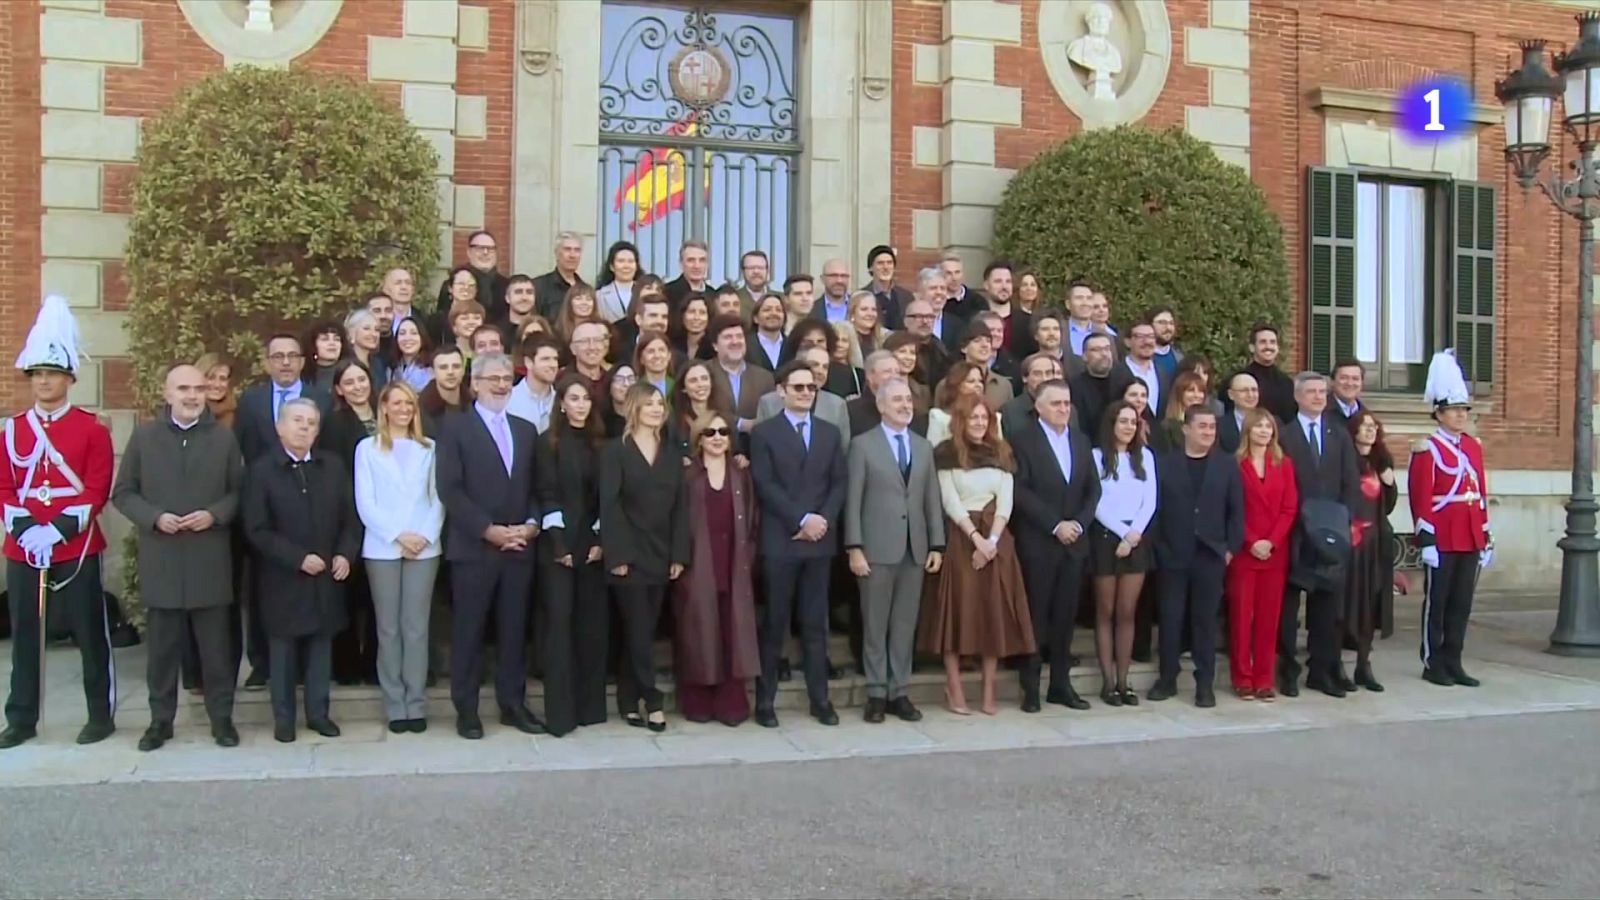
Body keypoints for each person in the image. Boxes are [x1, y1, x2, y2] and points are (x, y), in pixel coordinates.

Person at [0, 300, 113, 750]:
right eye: (37, 374)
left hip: (76, 544)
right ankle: (21, 717)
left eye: (52, 373)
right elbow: (6, 489)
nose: (43, 381)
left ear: (69, 378)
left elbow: (96, 488)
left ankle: (99, 715)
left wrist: (58, 530)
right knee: (25, 636)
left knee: (89, 632)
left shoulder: (91, 430)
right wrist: (29, 531)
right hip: (24, 545)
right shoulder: (11, 431)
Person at [113, 364, 244, 751]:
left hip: (209, 558)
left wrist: (215, 514)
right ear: (167, 394)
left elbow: (239, 493)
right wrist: (154, 517)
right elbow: (123, 493)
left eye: (198, 388)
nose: (192, 395)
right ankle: (160, 722)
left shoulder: (223, 439)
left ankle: (222, 721)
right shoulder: (145, 438)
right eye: (183, 388)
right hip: (163, 558)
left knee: (216, 651)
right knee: (163, 651)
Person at [434, 352, 546, 739]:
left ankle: (512, 704)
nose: (500, 385)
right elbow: (449, 488)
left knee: (514, 632)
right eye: (492, 379)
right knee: (469, 632)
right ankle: (466, 710)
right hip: (474, 549)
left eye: (505, 379)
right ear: (475, 384)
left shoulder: (526, 429)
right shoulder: (454, 428)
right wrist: (487, 530)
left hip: (519, 549)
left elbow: (537, 487)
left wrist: (531, 525)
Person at [242, 397, 359, 743]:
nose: (305, 427)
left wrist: (345, 554)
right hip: (283, 578)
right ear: (280, 427)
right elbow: (256, 529)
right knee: (283, 653)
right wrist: (296, 558)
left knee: (321, 649)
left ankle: (319, 714)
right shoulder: (262, 471)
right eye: (297, 420)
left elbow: (350, 520)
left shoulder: (332, 466)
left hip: (326, 576)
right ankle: (284, 719)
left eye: (311, 422)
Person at [920, 395, 1034, 715]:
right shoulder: (946, 453)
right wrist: (975, 538)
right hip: (961, 536)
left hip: (995, 539)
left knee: (991, 613)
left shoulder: (1001, 452)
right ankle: (954, 686)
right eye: (974, 418)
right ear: (961, 421)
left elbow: (1005, 502)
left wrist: (992, 541)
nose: (980, 423)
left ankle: (988, 689)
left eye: (985, 418)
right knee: (957, 613)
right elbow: (949, 501)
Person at [749, 360, 847, 727]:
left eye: (811, 388)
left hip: (819, 542)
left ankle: (820, 699)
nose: (806, 393)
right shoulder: (765, 433)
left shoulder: (829, 432)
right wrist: (801, 519)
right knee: (774, 624)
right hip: (781, 540)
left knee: (815, 624)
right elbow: (764, 483)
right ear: (781, 391)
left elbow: (839, 482)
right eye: (799, 387)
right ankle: (765, 701)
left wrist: (821, 520)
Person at [845, 379, 943, 722]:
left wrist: (936, 543)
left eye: (908, 399)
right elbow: (853, 500)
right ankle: (875, 692)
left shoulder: (922, 446)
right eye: (897, 400)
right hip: (875, 548)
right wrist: (854, 547)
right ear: (881, 406)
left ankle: (899, 691)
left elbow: (931, 498)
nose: (905, 405)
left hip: (914, 549)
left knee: (904, 624)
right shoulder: (862, 446)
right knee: (875, 623)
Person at [354, 382, 444, 735]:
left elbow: (438, 498)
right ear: (384, 408)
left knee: (416, 628)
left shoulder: (430, 448)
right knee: (388, 628)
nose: (404, 409)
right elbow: (366, 502)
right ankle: (395, 705)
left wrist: (422, 536)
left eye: (410, 403)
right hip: (383, 548)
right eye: (397, 403)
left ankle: (416, 702)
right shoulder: (367, 449)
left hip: (425, 547)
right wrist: (397, 535)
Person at [599, 383, 690, 732]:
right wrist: (617, 554)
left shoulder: (670, 454)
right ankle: (652, 700)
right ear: (634, 408)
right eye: (648, 403)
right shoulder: (615, 452)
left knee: (642, 630)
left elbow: (681, 508)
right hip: (629, 555)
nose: (655, 408)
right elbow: (610, 505)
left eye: (659, 403)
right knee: (638, 631)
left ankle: (627, 700)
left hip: (662, 552)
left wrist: (679, 554)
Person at [1009, 380, 1100, 712]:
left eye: (1066, 403)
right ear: (1039, 407)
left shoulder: (1081, 440)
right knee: (1035, 617)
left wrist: (1078, 523)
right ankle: (1030, 686)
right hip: (1039, 543)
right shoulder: (1022, 441)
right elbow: (1019, 490)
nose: (1063, 409)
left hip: (1074, 544)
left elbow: (1093, 490)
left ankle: (1061, 684)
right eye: (1056, 403)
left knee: (1065, 617)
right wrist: (1054, 524)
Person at [1148, 406, 1243, 708]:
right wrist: (1160, 548)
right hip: (1173, 553)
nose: (1208, 432)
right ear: (1186, 429)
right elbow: (1155, 509)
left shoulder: (1226, 465)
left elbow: (1236, 511)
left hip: (1211, 554)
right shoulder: (1164, 464)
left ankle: (1205, 684)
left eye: (1212, 427)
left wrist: (1229, 548)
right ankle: (1167, 679)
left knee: (1205, 621)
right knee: (1171, 618)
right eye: (1201, 426)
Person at [1277, 372, 1361, 698]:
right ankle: (1287, 670)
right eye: (1310, 392)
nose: (1317, 397)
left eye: (1321, 392)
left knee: (1327, 608)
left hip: (1331, 534)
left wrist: (1345, 523)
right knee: (1288, 608)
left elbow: (1350, 482)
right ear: (1297, 397)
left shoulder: (1338, 434)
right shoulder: (1284, 434)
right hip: (1296, 533)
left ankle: (1322, 669)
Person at [1410, 350, 1491, 688]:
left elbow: (1480, 494)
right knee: (1438, 603)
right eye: (1455, 410)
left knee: (1461, 604)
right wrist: (1425, 540)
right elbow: (1420, 498)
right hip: (1442, 535)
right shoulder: (1428, 449)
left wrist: (1486, 536)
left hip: (1470, 534)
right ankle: (1433, 661)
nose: (1461, 416)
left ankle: (1454, 658)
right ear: (1438, 413)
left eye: (1463, 410)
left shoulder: (1473, 447)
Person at [533, 375, 609, 735]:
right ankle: (560, 714)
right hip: (557, 548)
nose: (580, 404)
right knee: (559, 628)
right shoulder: (547, 443)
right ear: (561, 403)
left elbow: (606, 498)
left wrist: (598, 539)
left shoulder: (601, 444)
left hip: (593, 547)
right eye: (573, 398)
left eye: (585, 398)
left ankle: (589, 708)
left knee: (590, 628)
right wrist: (560, 543)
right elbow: (546, 493)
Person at [674, 412, 760, 725]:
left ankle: (731, 701)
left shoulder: (740, 475)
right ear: (699, 439)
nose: (717, 438)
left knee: (731, 632)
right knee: (699, 633)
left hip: (733, 563)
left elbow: (752, 518)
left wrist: (748, 556)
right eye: (709, 432)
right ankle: (698, 699)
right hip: (697, 565)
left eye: (723, 432)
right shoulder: (687, 476)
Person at [1226, 409, 1298, 701]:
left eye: (1269, 426)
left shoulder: (1285, 464)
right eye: (1259, 427)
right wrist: (1252, 540)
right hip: (1245, 552)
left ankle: (1264, 679)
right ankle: (1242, 677)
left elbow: (1289, 508)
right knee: (1241, 618)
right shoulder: (1235, 464)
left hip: (1275, 553)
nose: (1264, 431)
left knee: (1269, 619)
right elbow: (1232, 509)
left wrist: (1272, 541)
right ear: (1248, 431)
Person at [1090, 401, 1158, 707]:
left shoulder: (1146, 458)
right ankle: (1107, 681)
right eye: (1123, 421)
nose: (1129, 426)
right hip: (1106, 536)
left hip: (1136, 536)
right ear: (1112, 424)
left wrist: (1133, 537)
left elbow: (1150, 500)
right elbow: (1096, 502)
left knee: (1127, 611)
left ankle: (1123, 680)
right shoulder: (1096, 457)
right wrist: (1121, 533)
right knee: (1106, 611)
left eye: (1133, 421)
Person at [1346, 409, 1396, 693]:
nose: (1369, 431)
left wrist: (1389, 485)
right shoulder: (1345, 460)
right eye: (1364, 426)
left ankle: (1364, 665)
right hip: (1350, 541)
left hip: (1374, 542)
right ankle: (1332, 664)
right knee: (1345, 604)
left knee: (1369, 604)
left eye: (1373, 427)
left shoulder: (1381, 461)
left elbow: (1386, 506)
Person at [707, 314, 774, 435]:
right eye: (728, 337)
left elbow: (770, 416)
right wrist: (739, 423)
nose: (735, 341)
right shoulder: (703, 372)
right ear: (715, 345)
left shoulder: (765, 378)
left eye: (739, 336)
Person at [436, 231, 510, 323]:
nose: (485, 252)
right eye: (480, 248)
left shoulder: (507, 286)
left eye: (490, 249)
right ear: (469, 252)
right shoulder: (453, 285)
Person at [1238, 323, 1296, 423]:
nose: (1268, 346)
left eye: (1272, 342)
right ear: (1252, 347)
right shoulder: (1239, 380)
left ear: (1277, 348)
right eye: (1263, 342)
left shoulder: (1286, 382)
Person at [1069, 332, 1118, 447]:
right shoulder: (1074, 386)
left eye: (1107, 349)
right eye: (1096, 350)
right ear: (1085, 356)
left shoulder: (1123, 381)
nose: (1104, 354)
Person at [507, 334, 561, 433]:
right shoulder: (508, 401)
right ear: (528, 362)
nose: (553, 365)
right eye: (545, 359)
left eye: (555, 359)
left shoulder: (562, 401)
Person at [926, 360, 987, 448]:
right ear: (956, 385)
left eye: (980, 381)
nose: (978, 385)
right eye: (971, 381)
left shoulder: (993, 417)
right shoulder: (939, 417)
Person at [534, 231, 588, 321]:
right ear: (556, 254)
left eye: (577, 250)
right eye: (567, 249)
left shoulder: (586, 290)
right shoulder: (539, 286)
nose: (572, 255)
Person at [883, 330, 933, 417]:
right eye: (902, 351)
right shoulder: (880, 387)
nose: (908, 357)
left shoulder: (923, 392)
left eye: (912, 353)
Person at [863, 244, 911, 330]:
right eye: (880, 263)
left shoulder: (906, 297)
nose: (885, 267)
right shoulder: (861, 296)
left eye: (889, 263)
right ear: (871, 268)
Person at [419, 345, 469, 427]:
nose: (450, 372)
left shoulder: (474, 405)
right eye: (443, 367)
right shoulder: (422, 410)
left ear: (463, 370)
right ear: (432, 372)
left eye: (456, 366)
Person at [1158, 371, 1210, 449]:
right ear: (1179, 393)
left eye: (1201, 391)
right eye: (1191, 390)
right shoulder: (1166, 427)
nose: (1196, 395)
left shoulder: (1211, 425)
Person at [345, 307, 390, 393]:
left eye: (377, 330)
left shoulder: (378, 364)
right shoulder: (344, 364)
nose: (373, 334)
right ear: (351, 333)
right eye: (366, 328)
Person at [595, 240, 640, 323]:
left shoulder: (646, 292)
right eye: (621, 261)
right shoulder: (599, 296)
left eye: (630, 261)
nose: (626, 266)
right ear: (611, 266)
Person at [1217, 371, 1259, 454]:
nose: (1250, 395)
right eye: (1244, 390)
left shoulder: (1273, 423)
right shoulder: (1218, 425)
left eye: (1254, 390)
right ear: (1231, 394)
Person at [664, 240, 712, 311]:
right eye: (691, 260)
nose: (697, 266)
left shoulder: (713, 295)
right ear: (681, 264)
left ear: (707, 264)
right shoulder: (667, 293)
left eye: (702, 260)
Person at [390, 316, 434, 392]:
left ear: (422, 337)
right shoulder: (393, 368)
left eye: (414, 333)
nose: (407, 338)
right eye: (402, 333)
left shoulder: (432, 368)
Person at [747, 293, 788, 372]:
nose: (773, 313)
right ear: (755, 318)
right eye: (767, 310)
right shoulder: (745, 345)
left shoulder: (792, 345)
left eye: (778, 310)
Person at [196, 353, 238, 429]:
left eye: (223, 379)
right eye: (211, 378)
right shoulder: (184, 413)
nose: (217, 385)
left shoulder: (238, 418)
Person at [303, 321, 346, 393]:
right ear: (313, 344)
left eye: (337, 339)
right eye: (325, 339)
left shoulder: (349, 372)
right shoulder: (303, 374)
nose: (332, 343)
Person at [672, 292, 713, 361]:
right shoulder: (673, 345)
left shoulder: (715, 347)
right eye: (692, 312)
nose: (696, 317)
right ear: (682, 315)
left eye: (702, 313)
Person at [634, 330, 675, 397]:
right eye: (651, 351)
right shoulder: (635, 389)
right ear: (641, 358)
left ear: (669, 355)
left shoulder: (677, 388)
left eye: (662, 350)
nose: (657, 356)